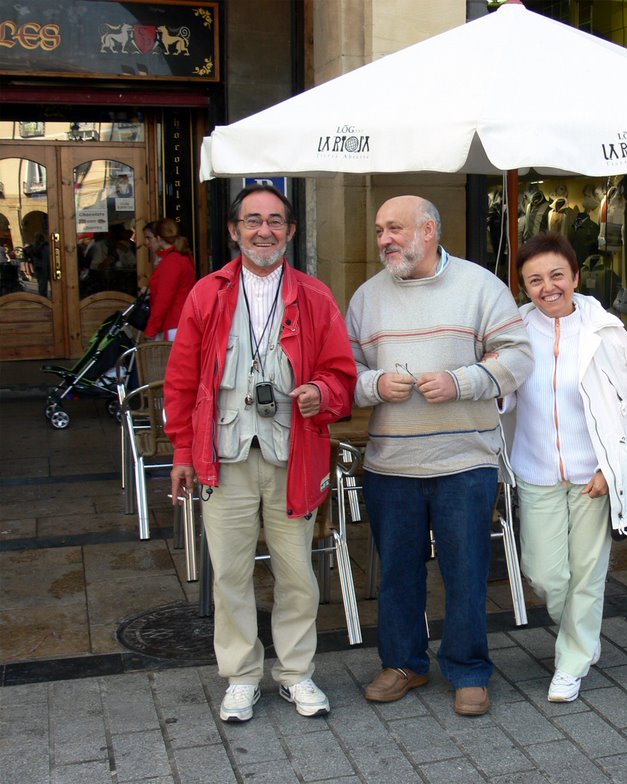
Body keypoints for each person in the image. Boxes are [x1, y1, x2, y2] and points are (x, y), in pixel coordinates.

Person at [164, 184, 357, 723]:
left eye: (275, 221)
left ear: (291, 232)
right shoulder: (207, 293)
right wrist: (182, 449)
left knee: (297, 573)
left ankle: (296, 673)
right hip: (222, 457)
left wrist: (322, 392)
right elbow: (180, 381)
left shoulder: (315, 296)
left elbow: (342, 375)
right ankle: (241, 676)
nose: (264, 230)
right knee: (229, 573)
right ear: (234, 230)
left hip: (292, 457)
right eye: (253, 221)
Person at [346, 195, 533, 717]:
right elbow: (344, 374)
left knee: (467, 571)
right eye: (381, 229)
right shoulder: (366, 297)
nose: (385, 238)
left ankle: (469, 670)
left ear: (429, 230)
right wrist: (376, 383)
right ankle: (403, 663)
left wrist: (461, 382)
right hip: (391, 463)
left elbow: (518, 357)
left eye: (396, 228)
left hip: (465, 460)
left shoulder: (480, 286)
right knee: (398, 572)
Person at [502, 231, 627, 703]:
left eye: (556, 275)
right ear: (524, 287)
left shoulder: (606, 330)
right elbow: (500, 395)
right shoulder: (514, 332)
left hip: (593, 475)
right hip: (535, 470)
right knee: (547, 574)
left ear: (574, 276)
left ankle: (571, 660)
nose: (547, 287)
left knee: (587, 574)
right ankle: (578, 634)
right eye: (534, 280)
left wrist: (613, 468)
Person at [142, 218, 196, 340]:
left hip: (173, 324)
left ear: (159, 238)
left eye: (150, 238)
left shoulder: (172, 261)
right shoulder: (182, 257)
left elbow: (163, 300)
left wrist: (151, 329)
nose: (146, 242)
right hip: (181, 321)